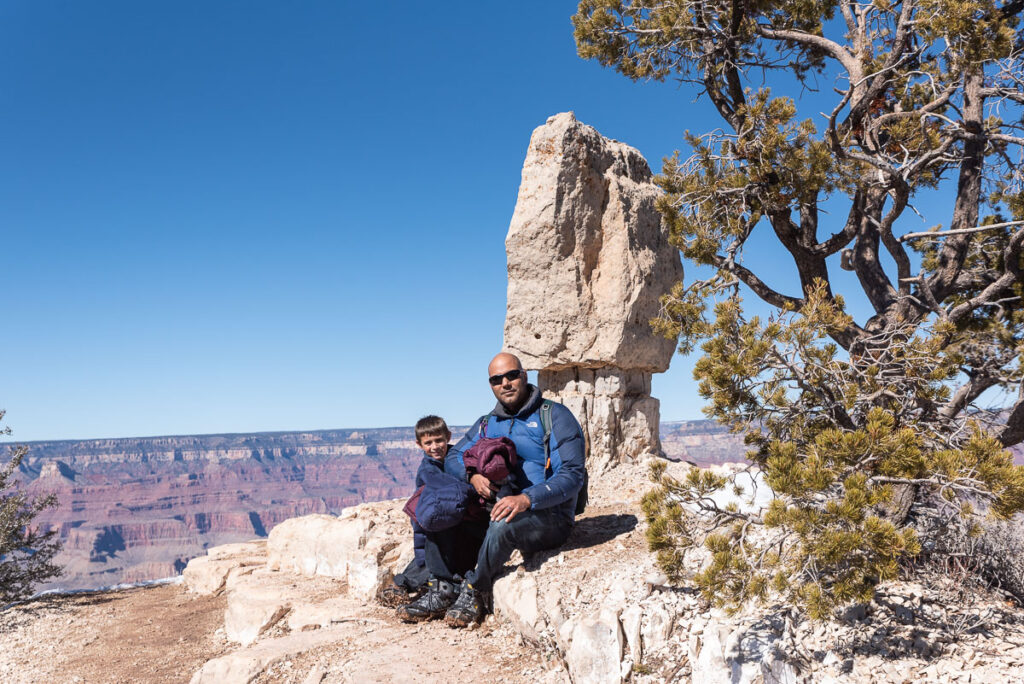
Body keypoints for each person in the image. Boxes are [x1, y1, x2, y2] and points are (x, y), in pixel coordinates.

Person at [397, 352, 586, 627]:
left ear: (524, 376)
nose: (505, 383)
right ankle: (443, 587)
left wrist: (526, 498)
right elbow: (453, 457)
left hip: (549, 515)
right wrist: (472, 475)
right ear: (491, 385)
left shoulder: (554, 416)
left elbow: (572, 475)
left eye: (512, 375)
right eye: (497, 379)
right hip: (498, 504)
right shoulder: (488, 422)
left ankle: (476, 590)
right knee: (438, 505)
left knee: (502, 520)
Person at [376, 415, 458, 607]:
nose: (435, 446)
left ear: (448, 436)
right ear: (419, 444)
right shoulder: (428, 471)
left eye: (439, 440)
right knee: (432, 551)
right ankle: (403, 585)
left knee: (436, 551)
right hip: (435, 520)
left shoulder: (457, 457)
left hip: (451, 517)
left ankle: (403, 584)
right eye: (428, 443)